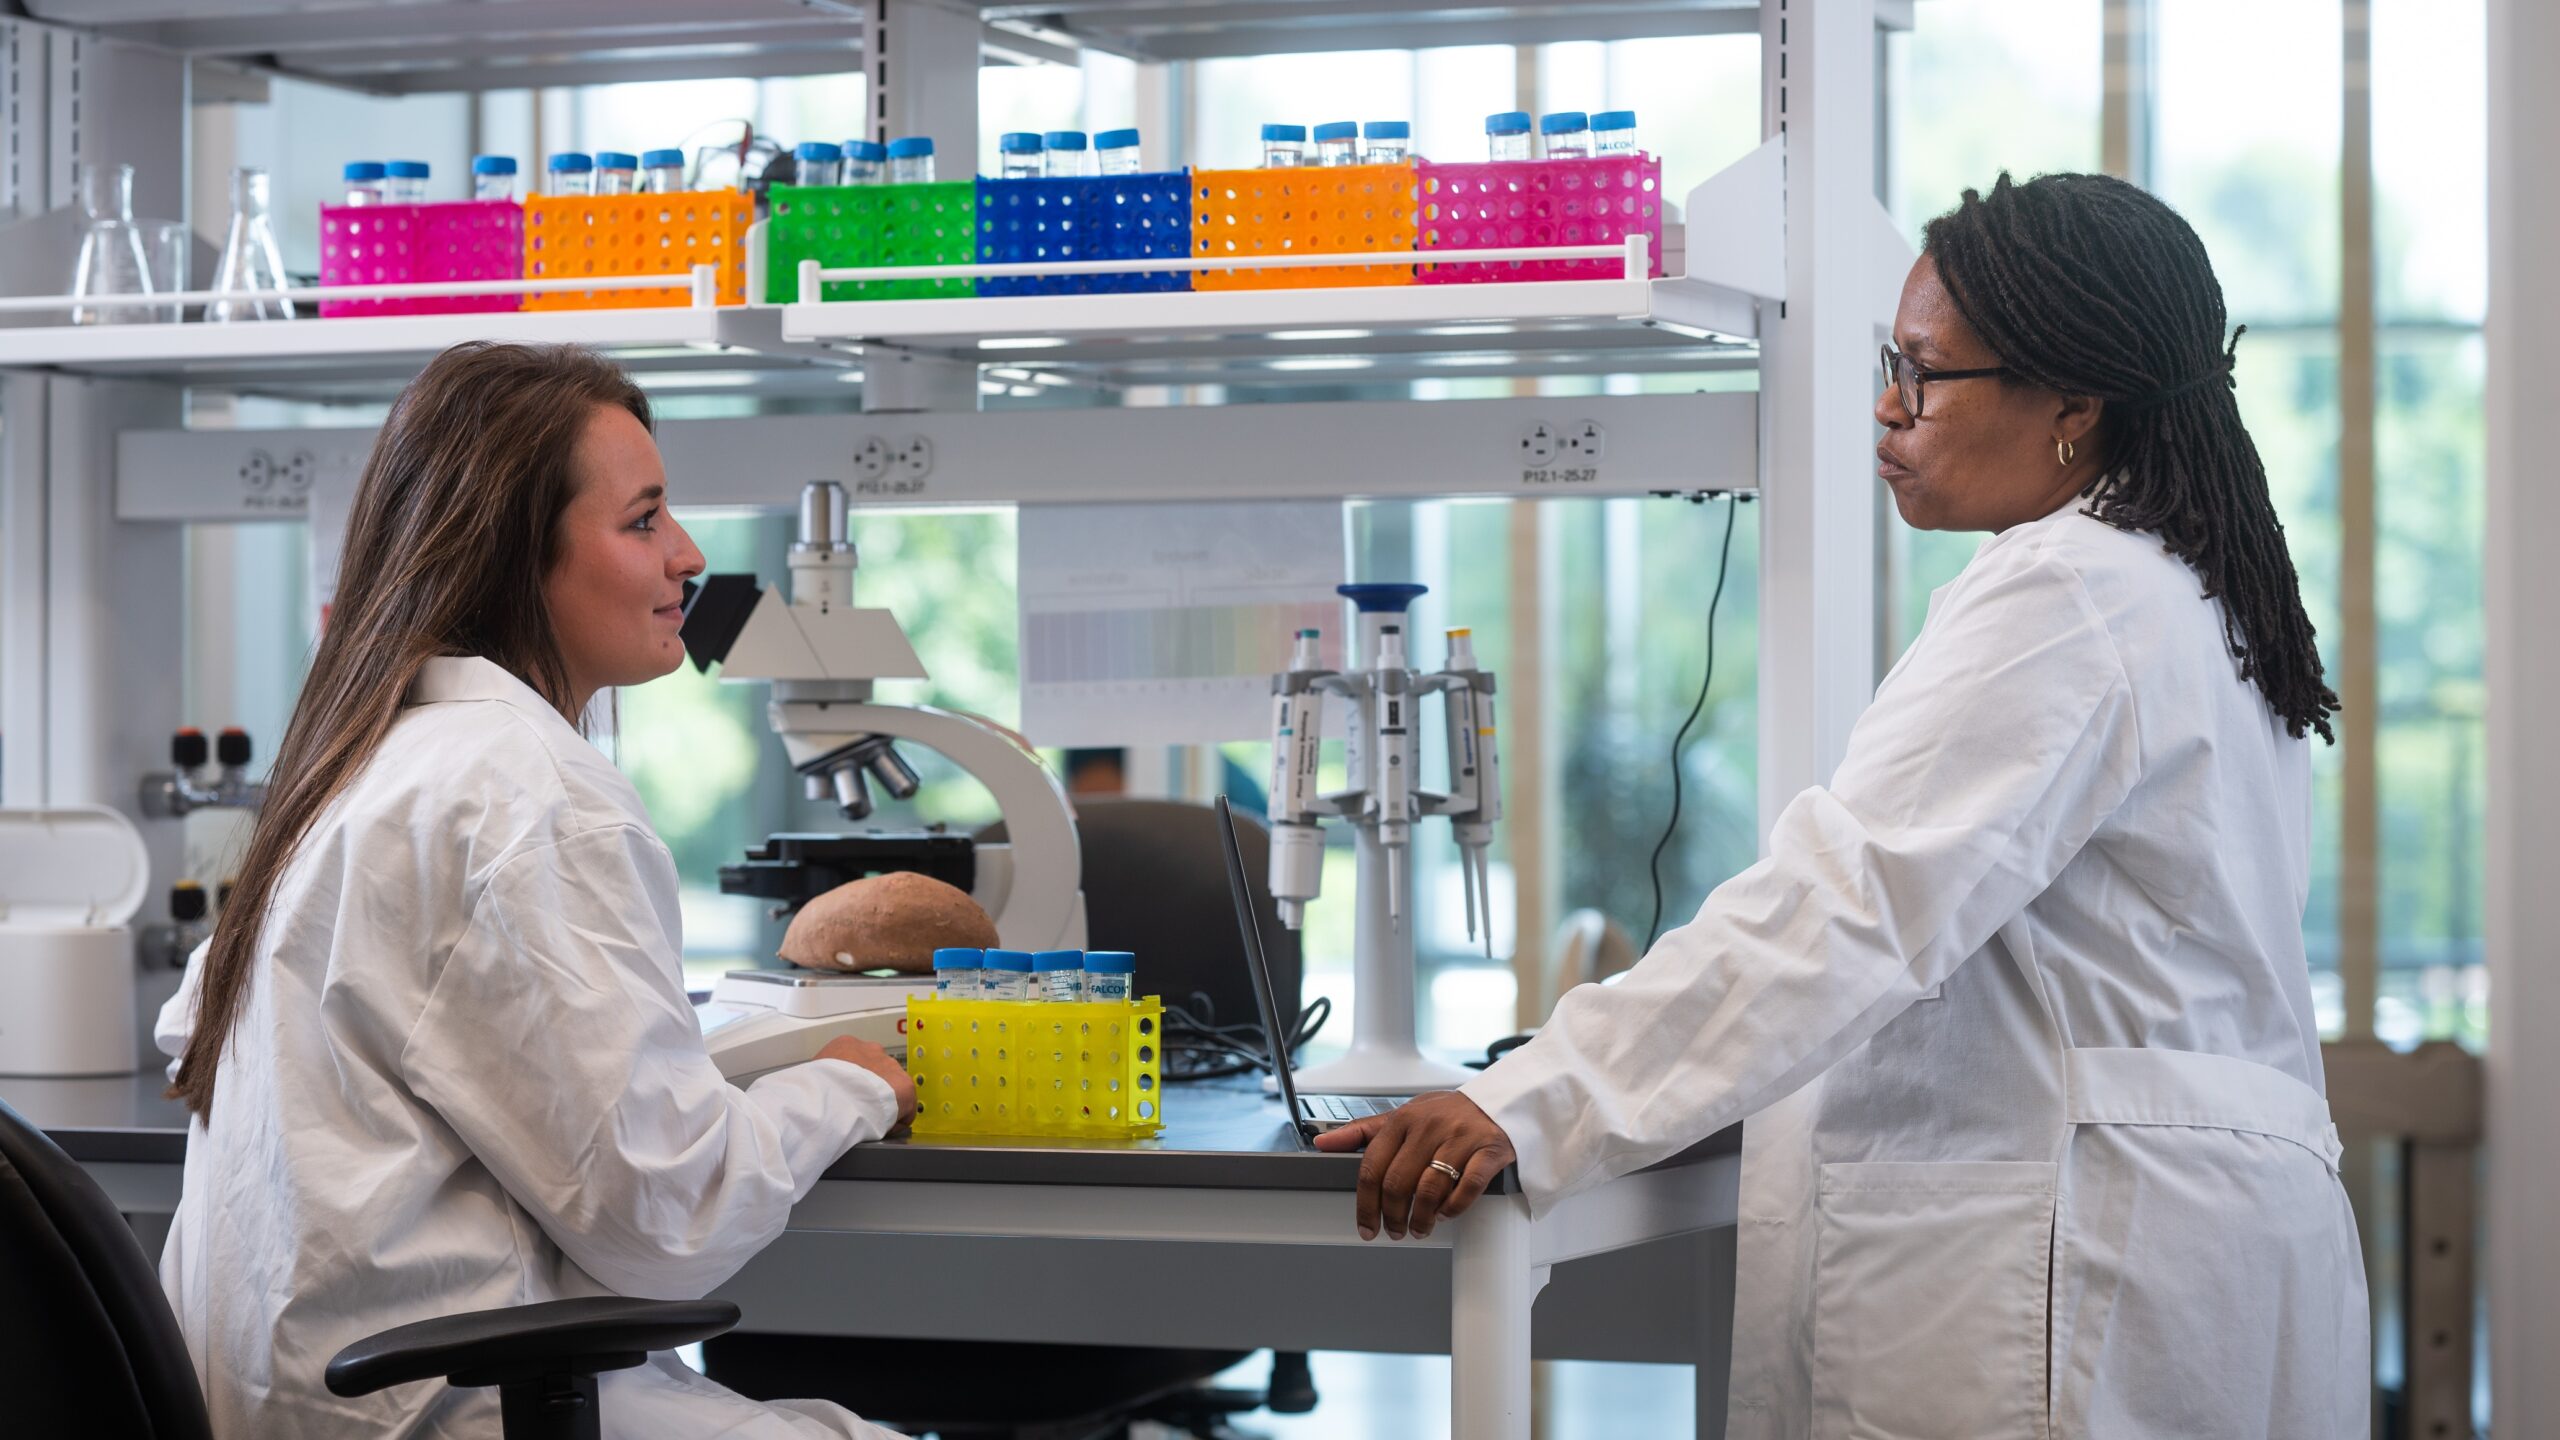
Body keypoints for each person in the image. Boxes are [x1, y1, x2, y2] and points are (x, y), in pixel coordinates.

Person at [1317, 172, 2370, 1438]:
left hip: (2078, 1259)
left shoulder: (2071, 591)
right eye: (1888, 360)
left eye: (1925, 374)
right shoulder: (2184, 586)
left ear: (2075, 407)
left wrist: (1534, 1098)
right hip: (2181, 1244)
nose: (1886, 406)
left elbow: (1844, 908)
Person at [155, 342, 915, 1438]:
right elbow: (671, 1218)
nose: (688, 557)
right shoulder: (525, 790)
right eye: (644, 520)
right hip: (444, 1408)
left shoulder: (356, 756)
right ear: (522, 557)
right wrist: (846, 1088)